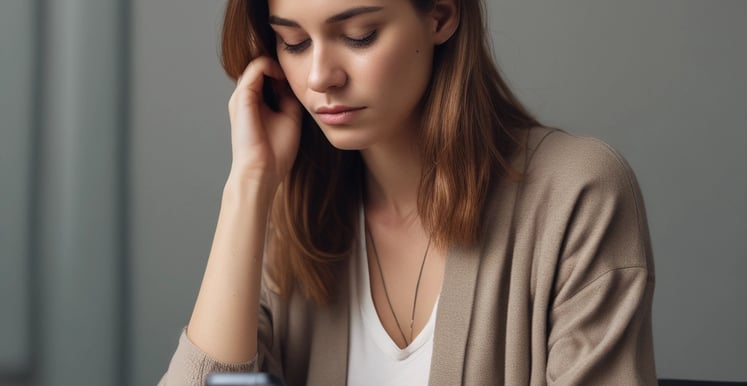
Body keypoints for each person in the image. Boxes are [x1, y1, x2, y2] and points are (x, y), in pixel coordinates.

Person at [160, 0, 657, 384]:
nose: (319, 77)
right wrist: (249, 185)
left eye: (360, 35)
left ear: (440, 15)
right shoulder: (293, 215)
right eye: (293, 42)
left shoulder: (577, 195)